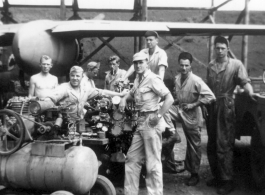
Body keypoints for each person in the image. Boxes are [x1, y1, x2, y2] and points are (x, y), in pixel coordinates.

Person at [121, 30, 181, 172]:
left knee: (162, 115)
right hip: (144, 84)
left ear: (157, 40)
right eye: (147, 40)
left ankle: (172, 134)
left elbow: (161, 71)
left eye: (151, 40)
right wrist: (124, 77)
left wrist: (157, 85)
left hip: (156, 86)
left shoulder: (161, 54)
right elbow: (134, 66)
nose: (148, 42)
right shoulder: (143, 52)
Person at [206, 36, 256, 194]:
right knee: (212, 143)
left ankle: (227, 180)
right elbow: (207, 86)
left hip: (226, 106)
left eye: (222, 48)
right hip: (213, 105)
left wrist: (250, 91)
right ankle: (217, 176)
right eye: (217, 48)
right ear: (214, 49)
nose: (219, 51)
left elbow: (244, 81)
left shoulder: (236, 64)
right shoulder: (211, 65)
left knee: (225, 144)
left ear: (227, 49)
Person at [119, 52, 174, 195]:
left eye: (141, 62)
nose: (138, 65)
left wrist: (159, 115)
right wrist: (124, 99)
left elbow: (169, 98)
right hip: (140, 121)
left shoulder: (152, 79)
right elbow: (132, 94)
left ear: (147, 62)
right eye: (135, 63)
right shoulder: (138, 79)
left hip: (151, 121)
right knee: (131, 159)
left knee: (152, 163)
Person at [167, 52, 215, 186]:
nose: (183, 68)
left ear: (190, 65)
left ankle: (194, 174)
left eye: (186, 65)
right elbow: (178, 97)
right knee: (162, 110)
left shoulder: (196, 80)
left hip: (192, 114)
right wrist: (172, 102)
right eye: (181, 65)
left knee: (194, 145)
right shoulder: (177, 79)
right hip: (180, 110)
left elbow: (210, 97)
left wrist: (194, 104)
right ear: (178, 64)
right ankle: (171, 133)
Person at [43, 66, 127, 121]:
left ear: (82, 77)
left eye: (77, 76)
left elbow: (102, 92)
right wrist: (44, 102)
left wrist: (120, 94)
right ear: (69, 76)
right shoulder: (64, 88)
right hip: (63, 124)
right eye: (72, 75)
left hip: (79, 122)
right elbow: (50, 98)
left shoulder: (85, 89)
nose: (75, 78)